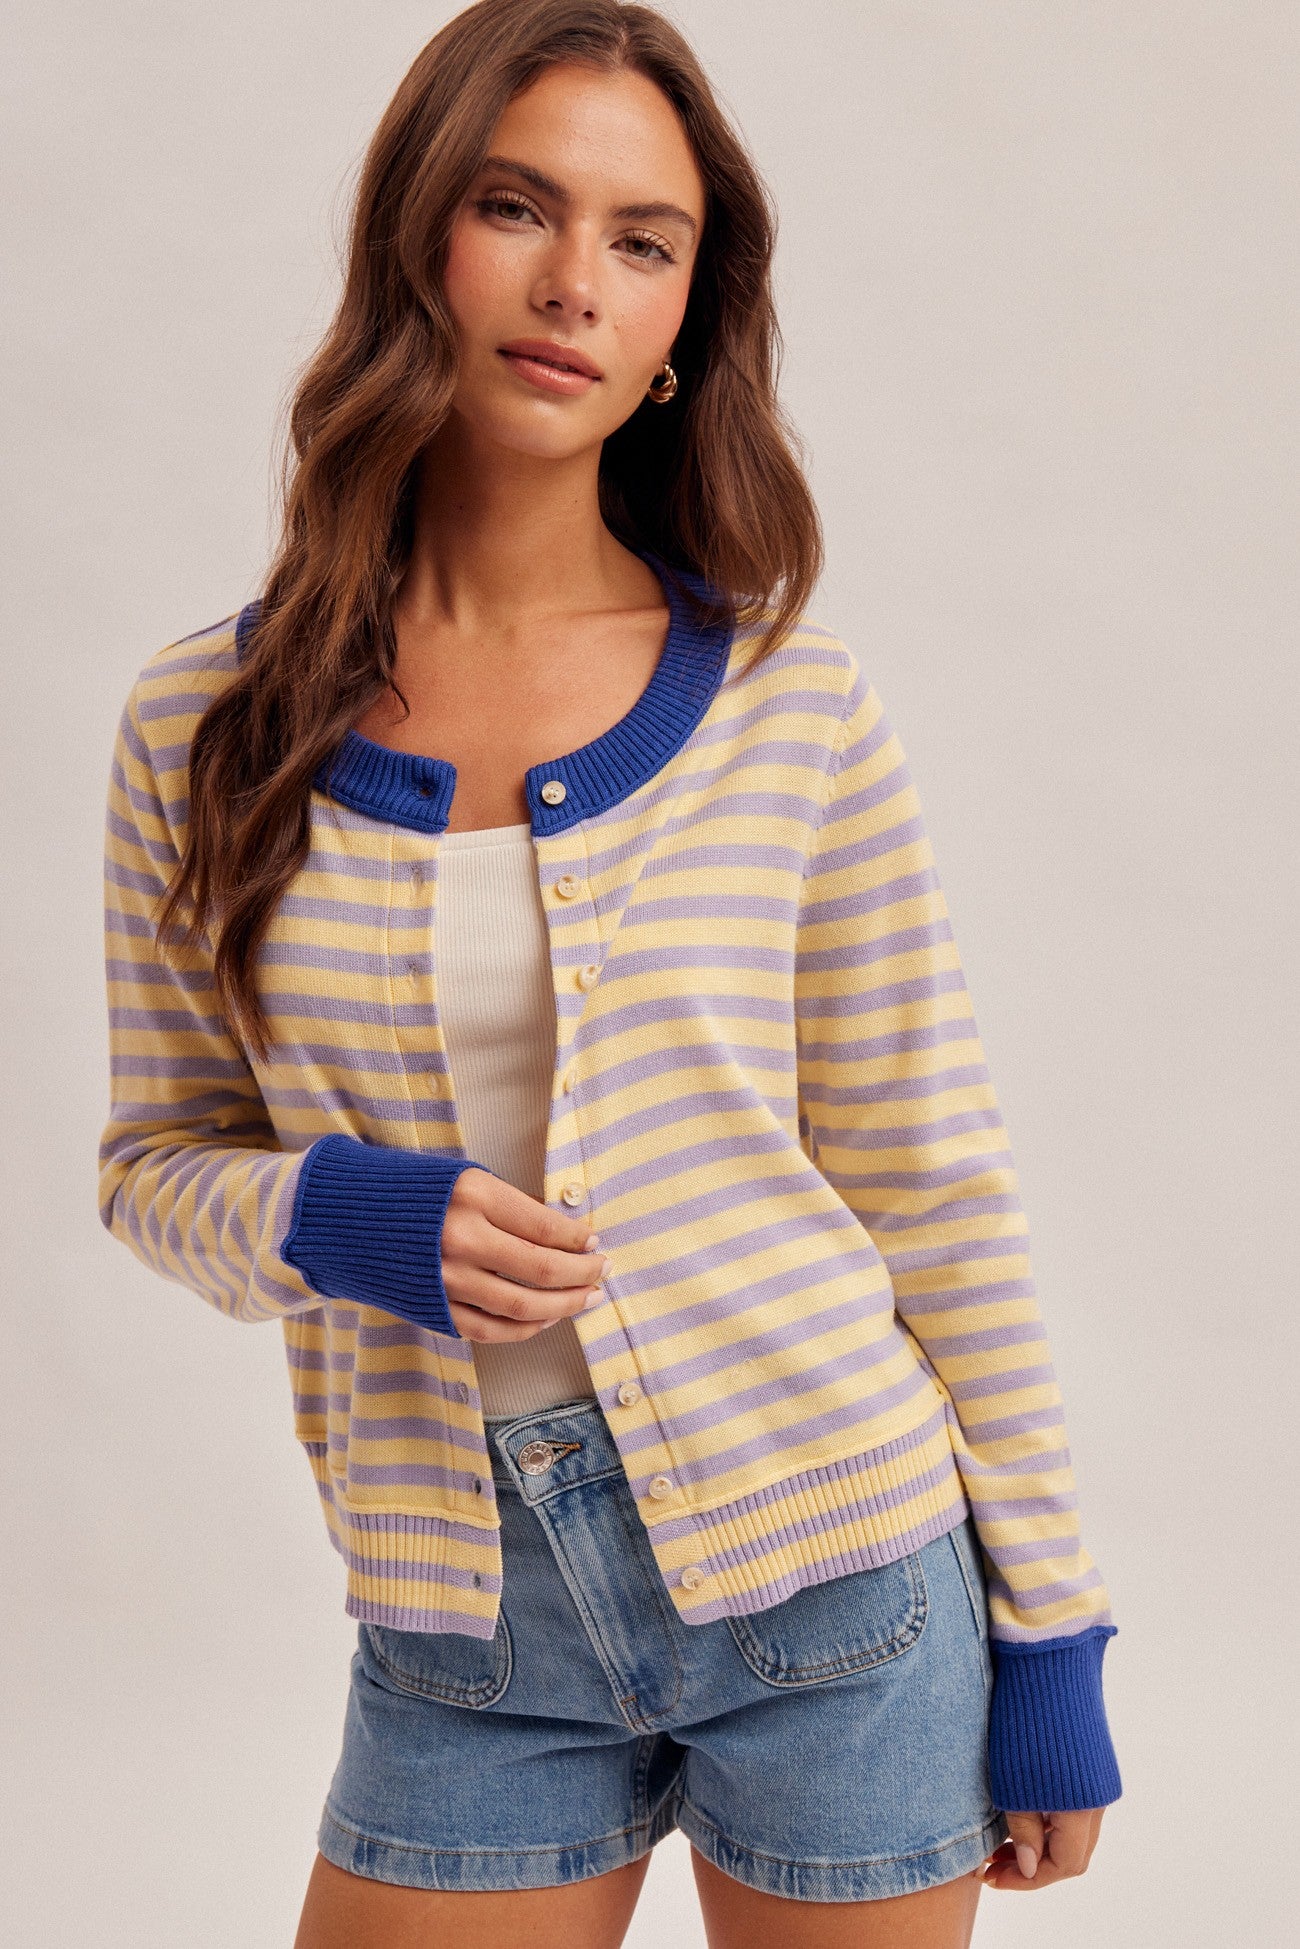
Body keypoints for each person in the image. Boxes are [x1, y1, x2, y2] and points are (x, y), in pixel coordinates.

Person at [97, 3, 1122, 1943]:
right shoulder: (206, 726)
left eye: (642, 242)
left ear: (677, 331)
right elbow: (154, 1161)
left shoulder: (786, 707)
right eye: (516, 207)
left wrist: (1051, 1632)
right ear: (414, 237)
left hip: (838, 1578)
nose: (574, 280)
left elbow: (930, 1185)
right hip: (464, 1617)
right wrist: (341, 1214)